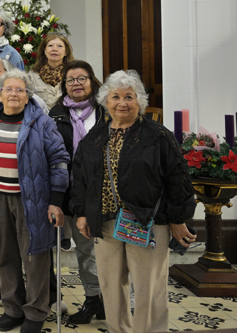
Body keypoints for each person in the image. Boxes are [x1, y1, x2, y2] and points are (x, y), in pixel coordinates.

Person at [71, 70, 196, 333]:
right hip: (105, 223)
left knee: (149, 284)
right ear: (106, 102)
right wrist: (82, 213)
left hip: (147, 222)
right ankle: (119, 329)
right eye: (115, 97)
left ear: (139, 101)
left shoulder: (157, 136)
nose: (122, 103)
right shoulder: (94, 137)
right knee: (111, 284)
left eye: (129, 96)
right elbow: (80, 178)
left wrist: (177, 218)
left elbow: (178, 177)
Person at [0, 69, 69, 333]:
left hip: (33, 200)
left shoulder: (42, 122)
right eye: (8, 89)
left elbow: (59, 160)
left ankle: (35, 313)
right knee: (5, 256)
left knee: (35, 258)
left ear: (27, 96)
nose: (13, 93)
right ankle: (12, 308)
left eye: (20, 90)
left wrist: (56, 201)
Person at [47, 60, 106, 324]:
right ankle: (94, 299)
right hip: (73, 191)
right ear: (64, 86)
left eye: (82, 78)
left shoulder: (106, 110)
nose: (76, 84)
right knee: (85, 249)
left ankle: (113, 299)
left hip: (105, 190)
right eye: (71, 80)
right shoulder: (56, 113)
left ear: (92, 81)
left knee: (110, 250)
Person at [27, 34, 74, 110]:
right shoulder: (32, 76)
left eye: (59, 46)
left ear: (66, 52)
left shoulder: (73, 74)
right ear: (44, 51)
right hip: (41, 120)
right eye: (50, 45)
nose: (54, 49)